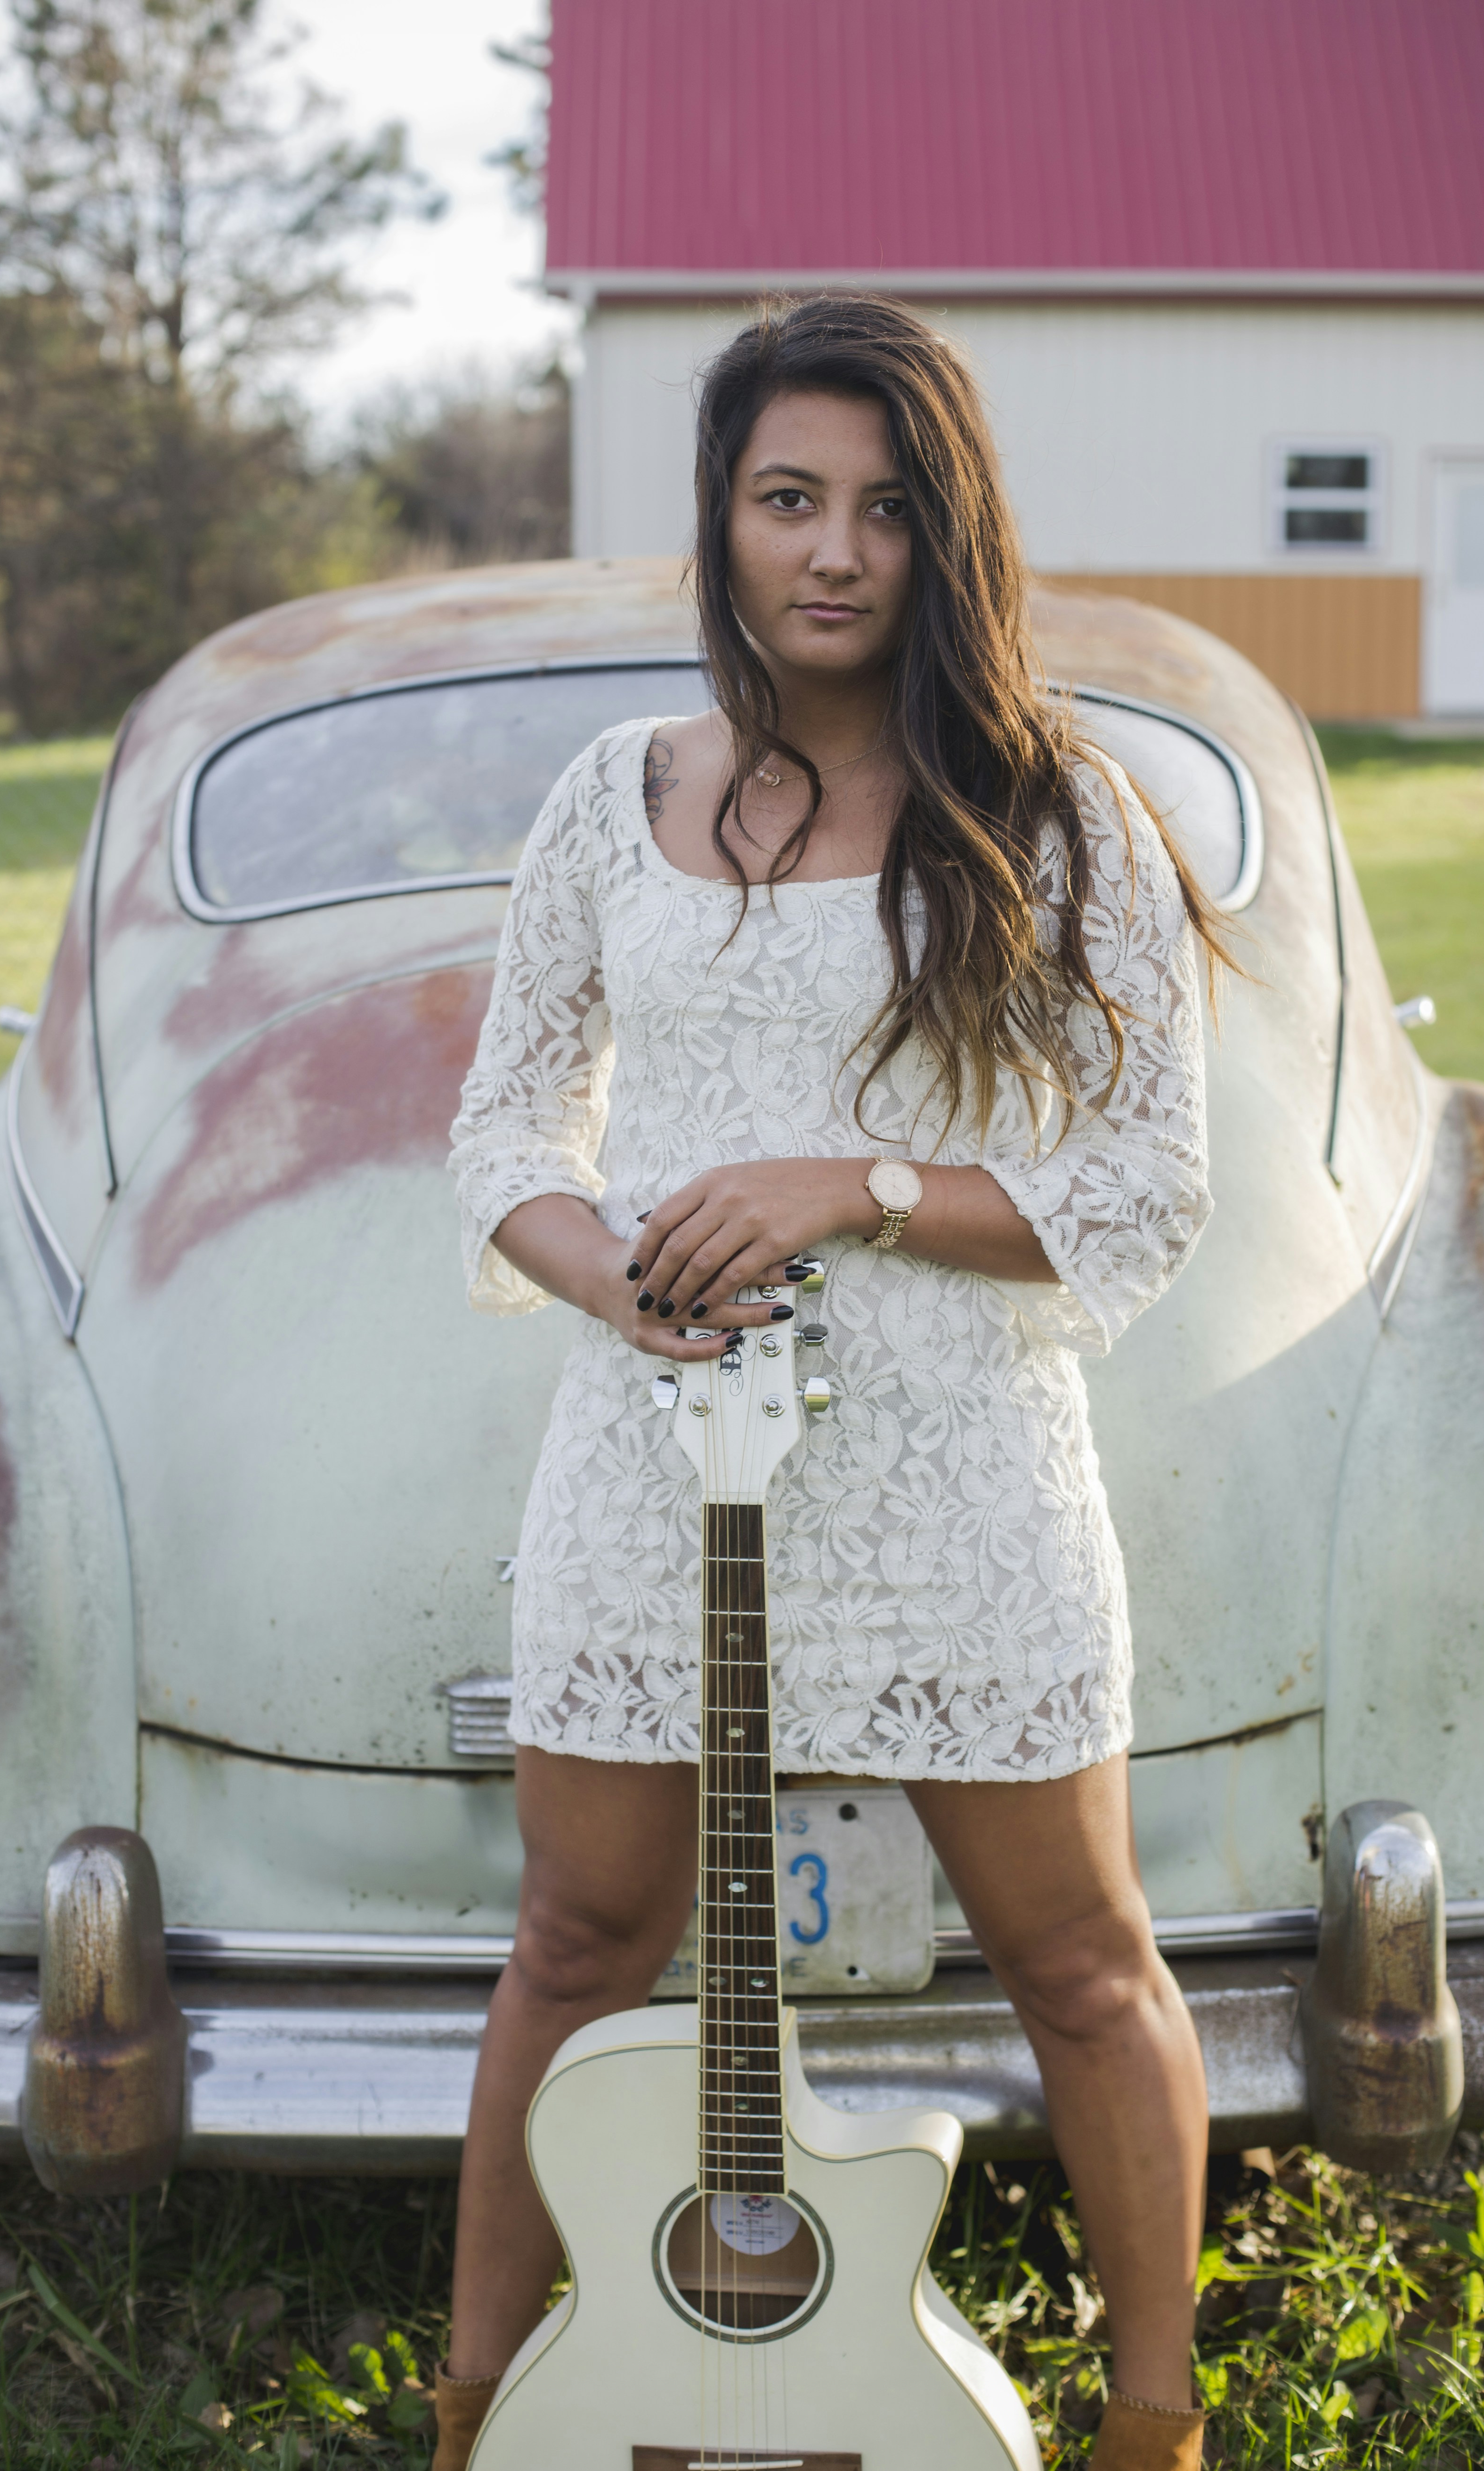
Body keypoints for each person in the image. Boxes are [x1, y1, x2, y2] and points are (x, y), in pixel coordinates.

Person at [442, 292, 1231, 2471]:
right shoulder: (613, 797)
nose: (832, 553)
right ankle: (479, 2413)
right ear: (719, 517)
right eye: (787, 498)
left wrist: (851, 1180)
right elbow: (508, 1131)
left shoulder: (1062, 811)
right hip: (652, 1463)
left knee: (1079, 1963)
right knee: (572, 1939)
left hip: (959, 1479)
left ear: (942, 535)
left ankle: (1150, 2429)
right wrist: (611, 1269)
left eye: (885, 510)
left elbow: (1146, 1184)